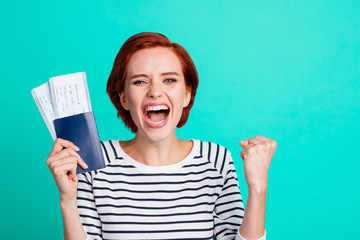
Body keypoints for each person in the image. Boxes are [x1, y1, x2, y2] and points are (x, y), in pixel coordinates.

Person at [46, 32, 277, 240]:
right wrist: (67, 201)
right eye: (139, 81)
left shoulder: (216, 160)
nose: (155, 91)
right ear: (124, 98)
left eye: (169, 79)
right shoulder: (93, 160)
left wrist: (258, 189)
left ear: (186, 94)